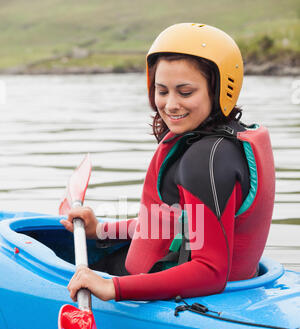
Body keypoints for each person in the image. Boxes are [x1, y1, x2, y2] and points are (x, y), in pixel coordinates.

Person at [61, 23, 275, 303]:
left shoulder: (206, 160)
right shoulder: (215, 143)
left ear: (219, 89)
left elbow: (211, 272)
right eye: (162, 91)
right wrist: (101, 229)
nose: (171, 104)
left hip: (182, 298)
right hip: (173, 278)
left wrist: (113, 289)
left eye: (185, 92)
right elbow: (173, 223)